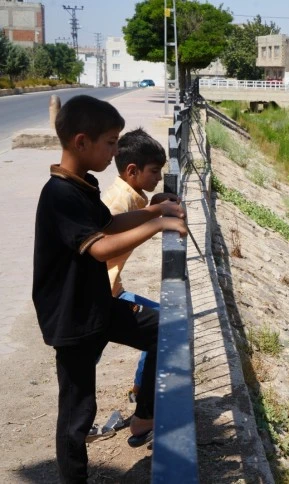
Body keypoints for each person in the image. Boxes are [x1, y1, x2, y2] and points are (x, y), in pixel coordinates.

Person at [32, 95, 187, 483]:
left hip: (98, 306)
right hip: (74, 319)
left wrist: (154, 210)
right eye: (110, 143)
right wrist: (158, 227)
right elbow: (100, 247)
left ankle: (145, 415)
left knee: (166, 329)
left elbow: (109, 224)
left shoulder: (83, 185)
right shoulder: (59, 195)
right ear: (82, 142)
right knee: (77, 412)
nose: (115, 151)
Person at [101, 128, 177, 402]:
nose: (158, 178)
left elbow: (139, 216)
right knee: (83, 365)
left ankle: (140, 390)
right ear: (132, 171)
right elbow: (110, 240)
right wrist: (158, 221)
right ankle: (145, 400)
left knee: (161, 321)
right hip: (101, 295)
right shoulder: (120, 203)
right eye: (154, 172)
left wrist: (155, 207)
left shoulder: (131, 194)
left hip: (113, 288)